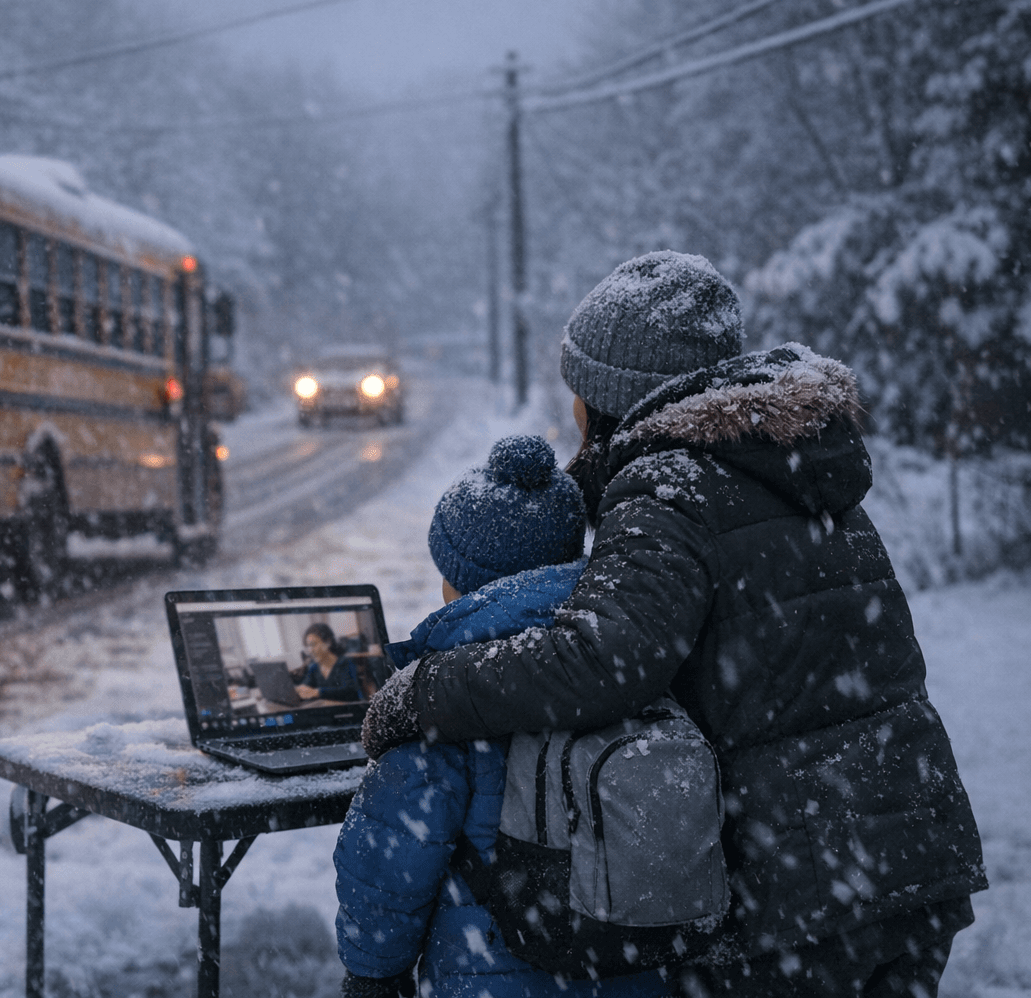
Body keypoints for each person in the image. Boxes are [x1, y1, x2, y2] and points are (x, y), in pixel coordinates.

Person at [361, 252, 987, 997]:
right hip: (905, 844)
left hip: (801, 893)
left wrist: (424, 692)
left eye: (577, 394)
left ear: (607, 400)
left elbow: (599, 661)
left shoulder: (668, 490)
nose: (572, 415)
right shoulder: (786, 462)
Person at [335, 434, 671, 998]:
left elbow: (388, 866)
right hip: (631, 968)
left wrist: (373, 976)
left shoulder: (444, 696)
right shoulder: (624, 654)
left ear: (462, 582)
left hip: (489, 977)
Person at [295, 624, 361, 701]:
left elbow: (350, 691)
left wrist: (318, 692)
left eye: (313, 644)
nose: (310, 650)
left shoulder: (345, 662)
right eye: (308, 646)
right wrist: (298, 689)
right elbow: (305, 686)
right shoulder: (314, 668)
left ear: (328, 643)